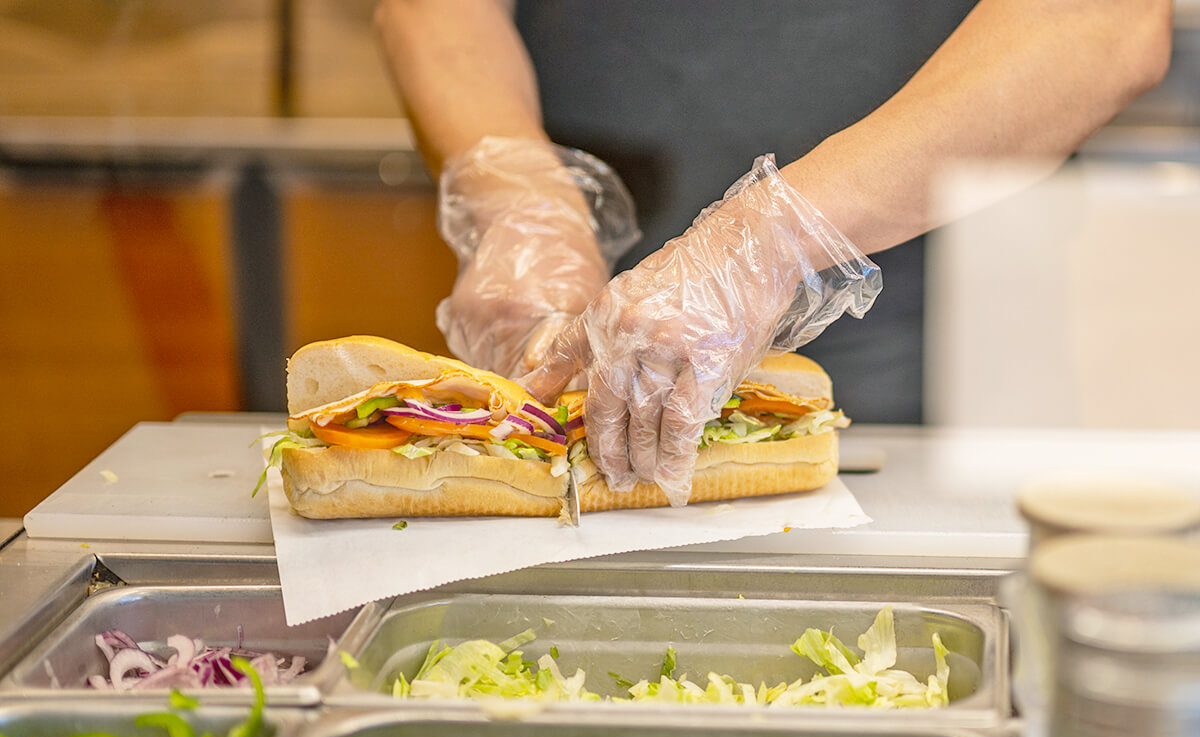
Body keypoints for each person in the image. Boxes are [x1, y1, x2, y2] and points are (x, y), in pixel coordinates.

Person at [373, 0, 1172, 506]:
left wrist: (772, 237)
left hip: (950, 331)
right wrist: (522, 202)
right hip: (583, 310)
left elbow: (1104, 19)